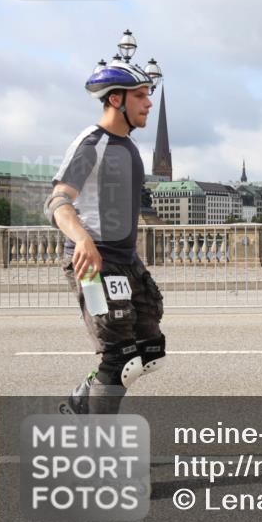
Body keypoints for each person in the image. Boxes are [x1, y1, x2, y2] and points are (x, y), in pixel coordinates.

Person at [45, 31, 167, 414]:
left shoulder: (128, 145)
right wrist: (82, 239)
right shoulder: (91, 143)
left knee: (149, 352)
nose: (149, 101)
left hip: (125, 260)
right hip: (96, 264)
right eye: (141, 95)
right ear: (116, 98)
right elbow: (58, 200)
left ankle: (81, 403)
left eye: (149, 93)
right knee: (119, 359)